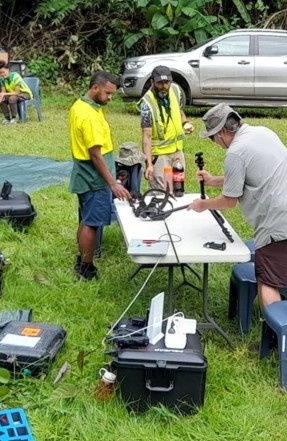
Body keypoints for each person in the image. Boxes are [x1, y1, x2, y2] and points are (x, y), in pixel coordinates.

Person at [189, 104, 287, 309]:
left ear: (222, 133)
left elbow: (229, 201)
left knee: (268, 282)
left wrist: (203, 204)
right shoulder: (263, 132)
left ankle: (275, 337)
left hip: (281, 225)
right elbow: (251, 175)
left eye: (212, 137)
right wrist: (213, 180)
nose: (214, 142)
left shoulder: (235, 152)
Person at [68, 71, 131, 280]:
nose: (110, 98)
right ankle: (86, 268)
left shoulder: (81, 105)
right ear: (95, 88)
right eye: (107, 93)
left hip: (84, 173)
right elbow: (96, 155)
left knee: (86, 219)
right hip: (94, 177)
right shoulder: (88, 115)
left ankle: (81, 259)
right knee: (91, 223)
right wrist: (112, 183)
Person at [139, 65, 194, 195]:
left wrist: (185, 122)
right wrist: (149, 164)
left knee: (178, 190)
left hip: (177, 153)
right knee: (160, 194)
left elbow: (179, 111)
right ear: (152, 82)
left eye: (166, 82)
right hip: (159, 156)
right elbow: (146, 136)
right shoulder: (146, 104)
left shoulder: (175, 90)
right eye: (160, 83)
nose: (164, 86)